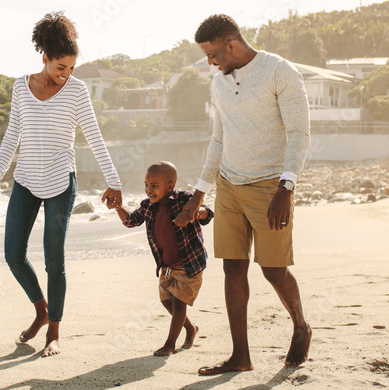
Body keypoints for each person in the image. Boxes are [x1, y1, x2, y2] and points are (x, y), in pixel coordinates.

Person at [174, 14, 312, 375]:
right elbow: (218, 139)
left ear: (232, 45)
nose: (211, 62)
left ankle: (300, 324)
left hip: (270, 187)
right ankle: (240, 356)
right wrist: (198, 194)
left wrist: (286, 186)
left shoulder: (280, 72)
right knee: (233, 269)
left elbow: (299, 133)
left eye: (214, 55)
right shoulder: (218, 84)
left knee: (274, 271)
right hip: (229, 186)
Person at [0, 11, 122, 358]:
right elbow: (12, 134)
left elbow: (94, 137)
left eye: (72, 68)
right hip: (26, 181)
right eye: (61, 67)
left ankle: (54, 332)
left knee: (53, 260)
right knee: (13, 254)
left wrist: (114, 181)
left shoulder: (76, 91)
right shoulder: (21, 86)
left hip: (62, 181)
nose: (67, 75)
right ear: (44, 57)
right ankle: (41, 311)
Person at [113, 161, 212, 356]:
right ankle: (191, 329)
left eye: (154, 186)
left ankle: (170, 344)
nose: (149, 190)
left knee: (178, 302)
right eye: (146, 185)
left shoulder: (184, 199)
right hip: (166, 266)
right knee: (166, 301)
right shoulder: (149, 206)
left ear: (170, 186)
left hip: (189, 263)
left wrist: (194, 213)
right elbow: (130, 221)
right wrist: (118, 207)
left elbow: (208, 212)